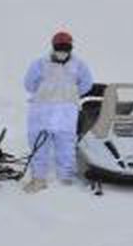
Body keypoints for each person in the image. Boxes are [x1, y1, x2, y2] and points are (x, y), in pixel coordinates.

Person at [22, 31, 93, 193]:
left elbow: (87, 84)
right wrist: (45, 93)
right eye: (59, 46)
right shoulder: (40, 64)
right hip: (42, 111)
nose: (62, 50)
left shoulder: (79, 65)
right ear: (53, 47)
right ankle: (38, 179)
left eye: (66, 47)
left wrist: (71, 94)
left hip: (66, 112)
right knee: (39, 144)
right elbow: (29, 84)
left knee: (66, 145)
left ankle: (66, 179)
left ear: (71, 47)